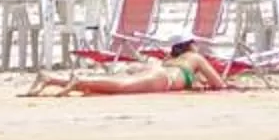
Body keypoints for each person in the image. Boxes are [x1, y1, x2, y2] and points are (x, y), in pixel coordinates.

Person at [31, 38, 229, 96]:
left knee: (112, 84)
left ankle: (51, 79)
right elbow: (219, 84)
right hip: (162, 78)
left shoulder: (171, 59)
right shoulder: (194, 57)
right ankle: (81, 80)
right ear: (190, 45)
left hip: (151, 69)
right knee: (121, 87)